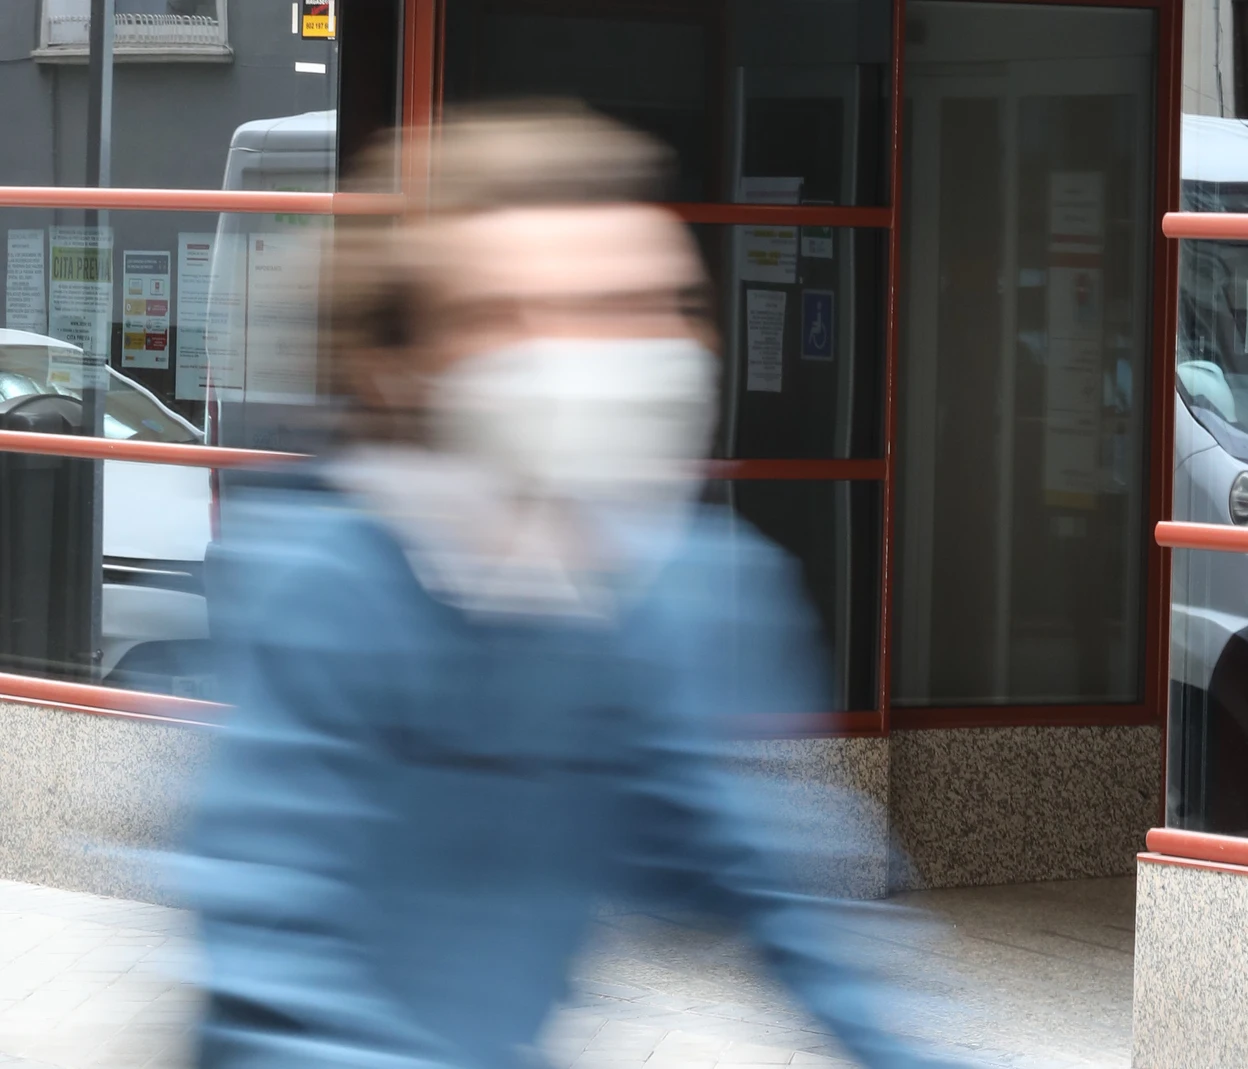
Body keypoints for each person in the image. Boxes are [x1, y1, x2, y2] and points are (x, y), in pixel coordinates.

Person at [184, 101, 966, 1069]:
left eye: (649, 305)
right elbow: (271, 957)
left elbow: (766, 879)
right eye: (528, 312)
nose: (611, 354)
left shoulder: (693, 582)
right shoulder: (329, 586)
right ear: (404, 363)